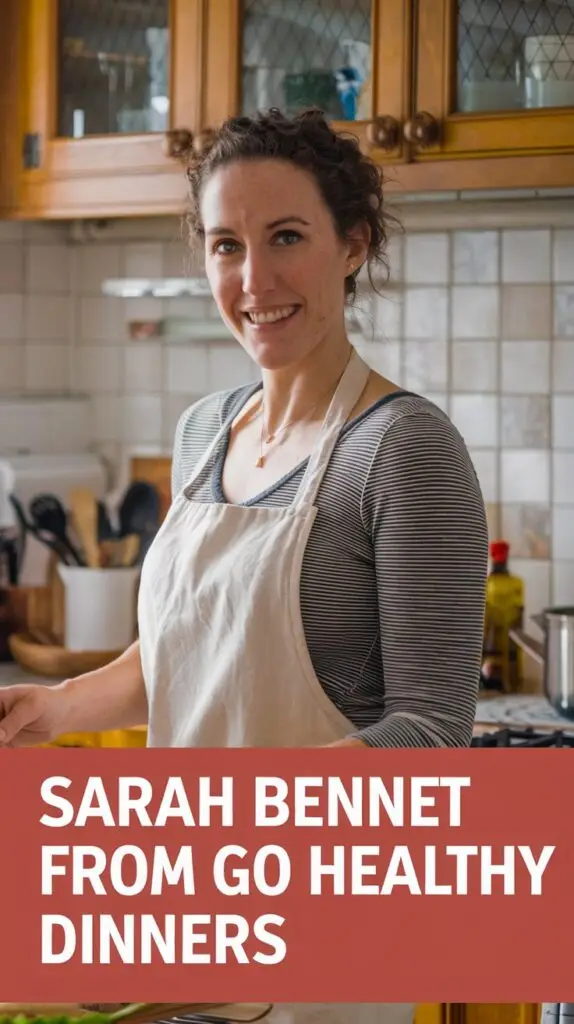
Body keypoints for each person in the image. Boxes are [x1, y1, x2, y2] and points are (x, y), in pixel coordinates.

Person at [0, 107, 488, 1022]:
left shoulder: (404, 448)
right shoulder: (202, 432)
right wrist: (54, 705)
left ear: (355, 244)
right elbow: (192, 652)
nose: (254, 279)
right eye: (226, 246)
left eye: (287, 237)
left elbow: (432, 734)